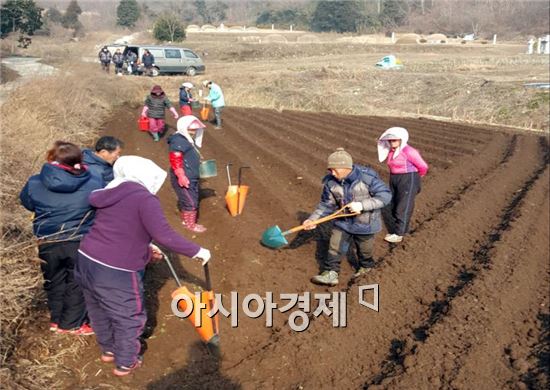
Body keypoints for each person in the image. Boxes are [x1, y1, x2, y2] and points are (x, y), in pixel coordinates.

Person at [75, 156, 211, 377]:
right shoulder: (144, 198)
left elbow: (120, 227)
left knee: (98, 308)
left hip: (86, 259)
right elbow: (164, 235)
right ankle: (126, 361)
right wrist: (197, 251)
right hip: (116, 271)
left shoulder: (109, 193)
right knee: (129, 315)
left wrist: (146, 248)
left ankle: (108, 350)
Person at [19, 141, 102, 335]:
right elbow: (100, 204)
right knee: (77, 281)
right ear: (79, 160)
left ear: (50, 159)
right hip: (81, 238)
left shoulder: (34, 182)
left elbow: (28, 203)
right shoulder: (94, 180)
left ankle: (56, 320)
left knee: (53, 279)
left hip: (48, 240)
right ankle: (71, 324)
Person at [303, 148, 391, 286]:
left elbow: (385, 196)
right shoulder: (331, 182)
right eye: (330, 170)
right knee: (335, 246)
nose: (332, 173)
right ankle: (331, 273)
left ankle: (366, 268)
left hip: (366, 223)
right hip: (343, 222)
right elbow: (326, 205)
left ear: (346, 167)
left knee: (364, 250)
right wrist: (313, 219)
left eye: (334, 169)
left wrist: (362, 205)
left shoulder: (367, 179)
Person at [377, 127, 428, 243]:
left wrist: (415, 179)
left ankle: (399, 234)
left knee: (403, 206)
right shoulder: (392, 151)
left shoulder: (409, 151)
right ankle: (402, 229)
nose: (391, 142)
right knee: (394, 204)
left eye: (394, 140)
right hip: (394, 178)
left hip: (408, 178)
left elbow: (423, 166)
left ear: (401, 140)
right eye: (390, 141)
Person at [168, 115, 207, 232]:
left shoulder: (187, 139)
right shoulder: (178, 141)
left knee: (192, 198)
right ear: (184, 128)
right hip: (185, 177)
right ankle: (190, 225)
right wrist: (180, 175)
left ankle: (188, 221)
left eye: (195, 130)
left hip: (192, 175)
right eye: (191, 129)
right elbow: (175, 159)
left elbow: (188, 154)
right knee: (190, 202)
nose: (193, 132)